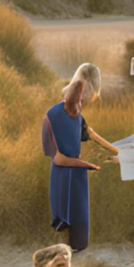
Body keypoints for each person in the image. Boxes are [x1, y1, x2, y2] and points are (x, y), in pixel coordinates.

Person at [43, 63, 116, 253]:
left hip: (72, 172)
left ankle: (67, 257)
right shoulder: (62, 111)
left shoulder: (74, 112)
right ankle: (62, 257)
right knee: (66, 217)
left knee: (74, 219)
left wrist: (116, 151)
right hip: (65, 170)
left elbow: (89, 133)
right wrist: (116, 151)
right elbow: (86, 134)